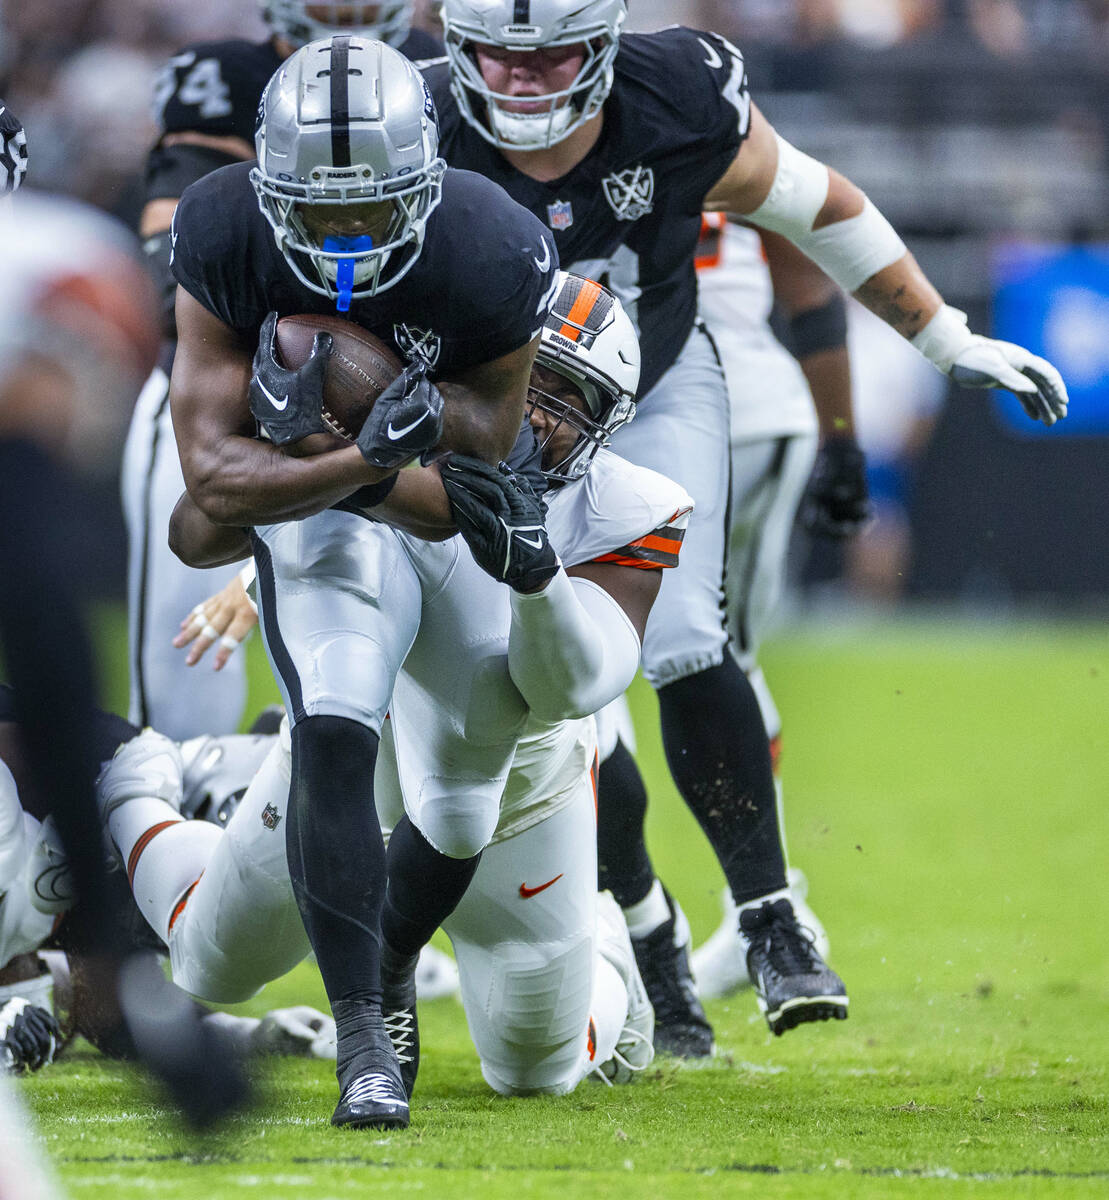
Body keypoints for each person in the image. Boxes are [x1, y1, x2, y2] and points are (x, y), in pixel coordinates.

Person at [426, 0, 1068, 1050]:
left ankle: (769, 916)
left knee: (683, 639)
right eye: (496, 55)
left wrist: (943, 338)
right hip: (488, 413)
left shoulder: (674, 96)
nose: (520, 81)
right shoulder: (421, 122)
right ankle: (648, 937)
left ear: (601, 47)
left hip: (658, 385)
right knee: (558, 700)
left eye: (546, 56)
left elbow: (819, 208)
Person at [109, 275, 688, 1099]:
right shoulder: (391, 435)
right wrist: (300, 463)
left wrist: (537, 577)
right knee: (210, 960)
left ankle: (601, 946)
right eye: (530, 379)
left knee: (535, 1069)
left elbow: (576, 685)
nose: (535, 412)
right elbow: (221, 534)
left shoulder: (624, 506)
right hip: (360, 765)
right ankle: (129, 787)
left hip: (524, 796)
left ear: (606, 421)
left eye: (568, 397)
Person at [166, 34, 559, 1129]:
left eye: (369, 208)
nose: (342, 235)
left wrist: (347, 461)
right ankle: (361, 1041)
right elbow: (206, 479)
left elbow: (485, 457)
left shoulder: (488, 242)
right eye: (317, 210)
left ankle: (398, 957)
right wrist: (365, 457)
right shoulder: (224, 226)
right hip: (325, 510)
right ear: (265, 183)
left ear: (428, 178)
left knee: (471, 781)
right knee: (333, 724)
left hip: (419, 517)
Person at [122, 1, 440, 740]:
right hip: (221, 391)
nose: (346, 11)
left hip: (387, 401)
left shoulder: (439, 71)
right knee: (178, 671)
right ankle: (164, 824)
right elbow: (172, 269)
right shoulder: (225, 78)